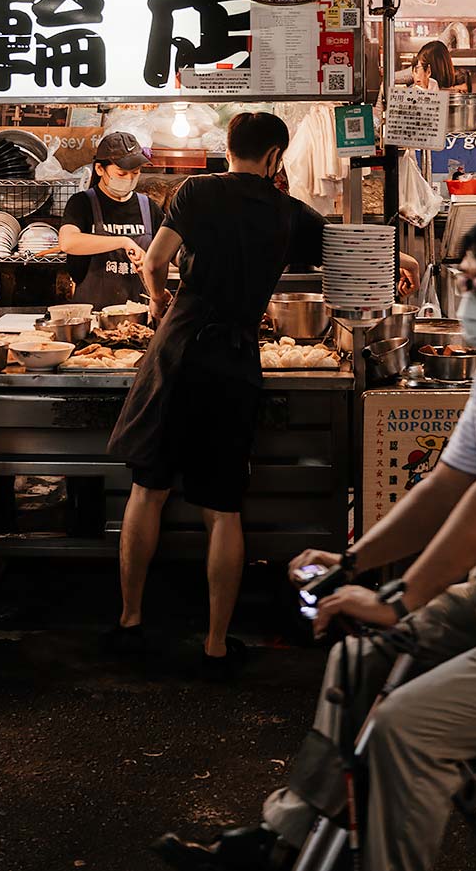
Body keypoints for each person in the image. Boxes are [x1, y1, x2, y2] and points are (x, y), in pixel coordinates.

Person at [154, 211, 476, 871]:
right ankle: (283, 841)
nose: (471, 302)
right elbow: (444, 486)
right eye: (464, 283)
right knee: (356, 662)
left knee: (409, 726)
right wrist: (353, 562)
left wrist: (401, 598)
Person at [106, 113, 326, 677]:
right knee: (223, 506)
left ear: (228, 148)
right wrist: (402, 264)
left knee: (148, 488)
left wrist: (158, 303)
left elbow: (154, 263)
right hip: (235, 356)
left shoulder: (197, 191)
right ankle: (216, 644)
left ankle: (130, 621)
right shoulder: (289, 212)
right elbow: (349, 254)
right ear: (276, 157)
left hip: (179, 348)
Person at [59, 132, 164, 309]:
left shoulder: (148, 207)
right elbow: (67, 242)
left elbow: (169, 253)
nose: (130, 179)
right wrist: (123, 242)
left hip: (139, 314)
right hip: (93, 317)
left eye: (135, 173)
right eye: (122, 173)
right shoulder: (82, 203)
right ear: (100, 169)